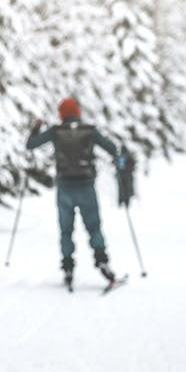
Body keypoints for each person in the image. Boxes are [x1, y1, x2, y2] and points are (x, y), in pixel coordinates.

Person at [26, 96, 122, 288]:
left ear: (61, 113)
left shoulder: (56, 132)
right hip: (86, 187)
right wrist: (119, 161)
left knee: (66, 230)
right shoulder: (89, 131)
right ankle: (102, 261)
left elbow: (31, 145)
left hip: (65, 188)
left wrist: (35, 128)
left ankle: (68, 267)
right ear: (77, 112)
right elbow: (113, 148)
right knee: (94, 227)